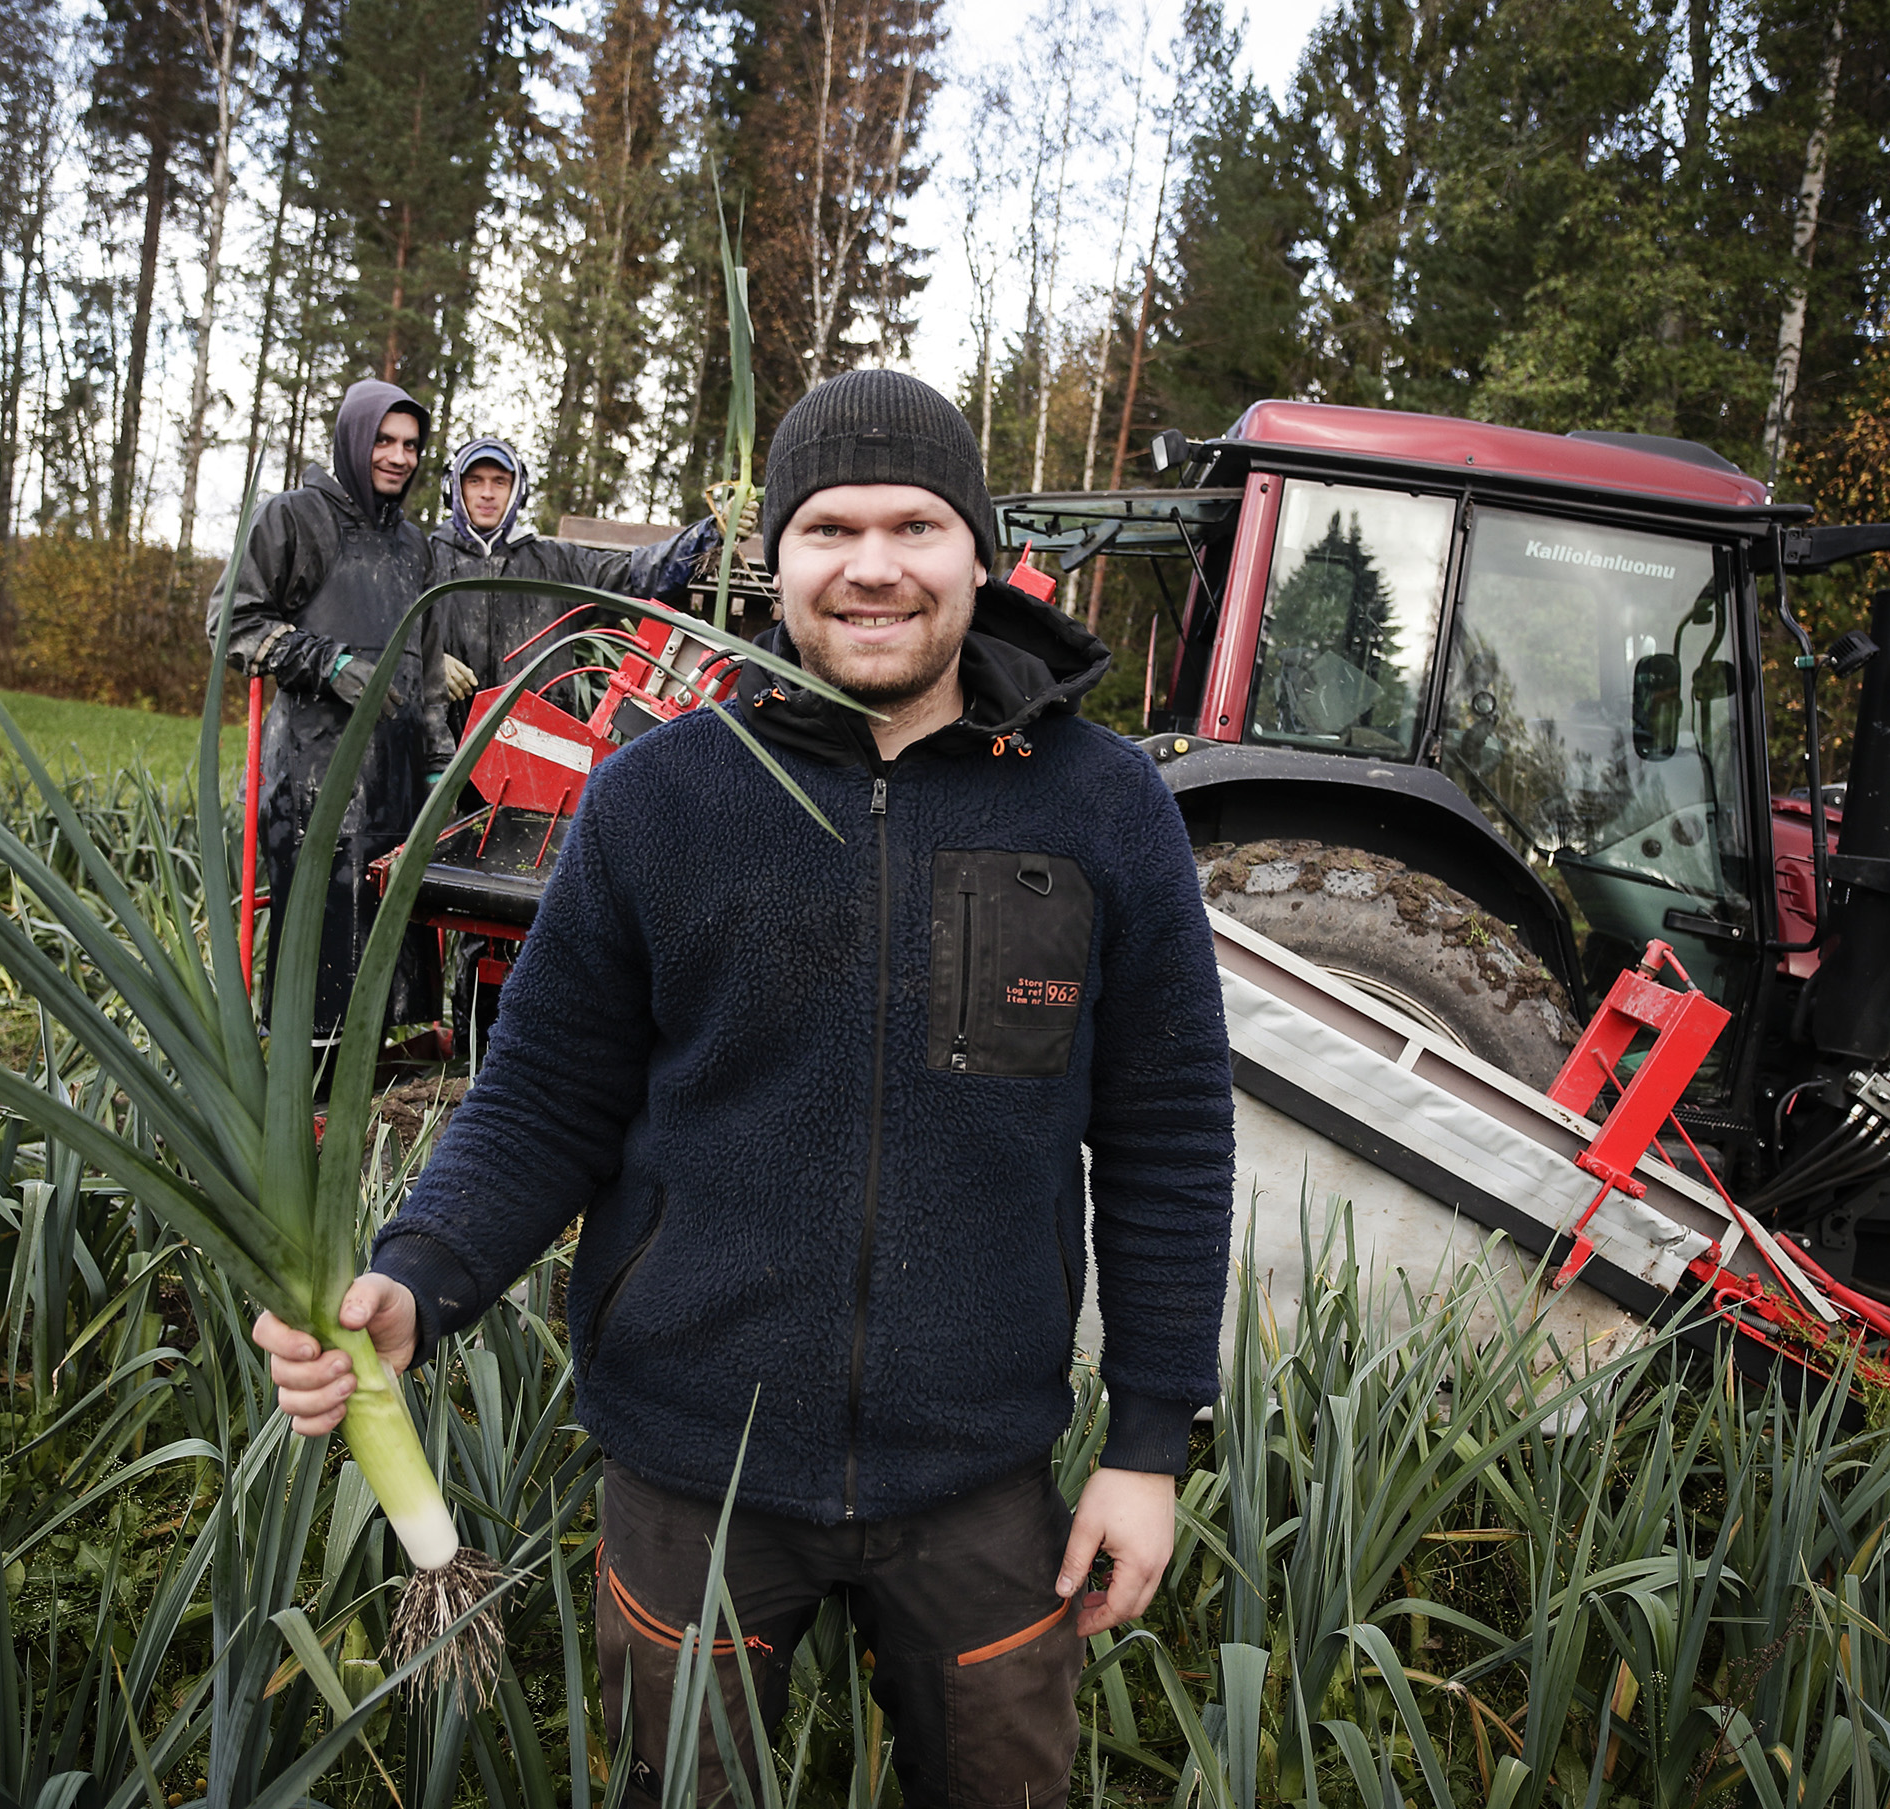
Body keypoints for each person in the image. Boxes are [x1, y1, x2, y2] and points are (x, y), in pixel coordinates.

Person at [252, 371, 1236, 1809]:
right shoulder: (663, 794)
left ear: (980, 546)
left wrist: (1149, 1445)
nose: (875, 565)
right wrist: (416, 1281)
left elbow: (1167, 1137)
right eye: (830, 528)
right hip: (689, 1476)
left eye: (917, 523)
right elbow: (541, 1102)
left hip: (979, 1475)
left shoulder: (1102, 806)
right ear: (775, 561)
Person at [208, 379, 458, 1040]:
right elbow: (231, 620)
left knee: (387, 945)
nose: (399, 457)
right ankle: (305, 1089)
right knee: (319, 947)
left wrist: (438, 763)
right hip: (314, 780)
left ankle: (372, 1092)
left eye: (410, 445)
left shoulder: (414, 545)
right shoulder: (295, 516)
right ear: (354, 437)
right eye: (384, 440)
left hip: (395, 780)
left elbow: (428, 670)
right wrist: (326, 661)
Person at [424, 435, 720, 726]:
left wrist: (709, 534)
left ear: (518, 491)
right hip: (444, 749)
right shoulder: (425, 560)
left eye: (500, 481)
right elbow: (386, 637)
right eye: (475, 480)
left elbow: (636, 573)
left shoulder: (557, 564)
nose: (487, 493)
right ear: (454, 489)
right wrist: (429, 662)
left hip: (535, 747)